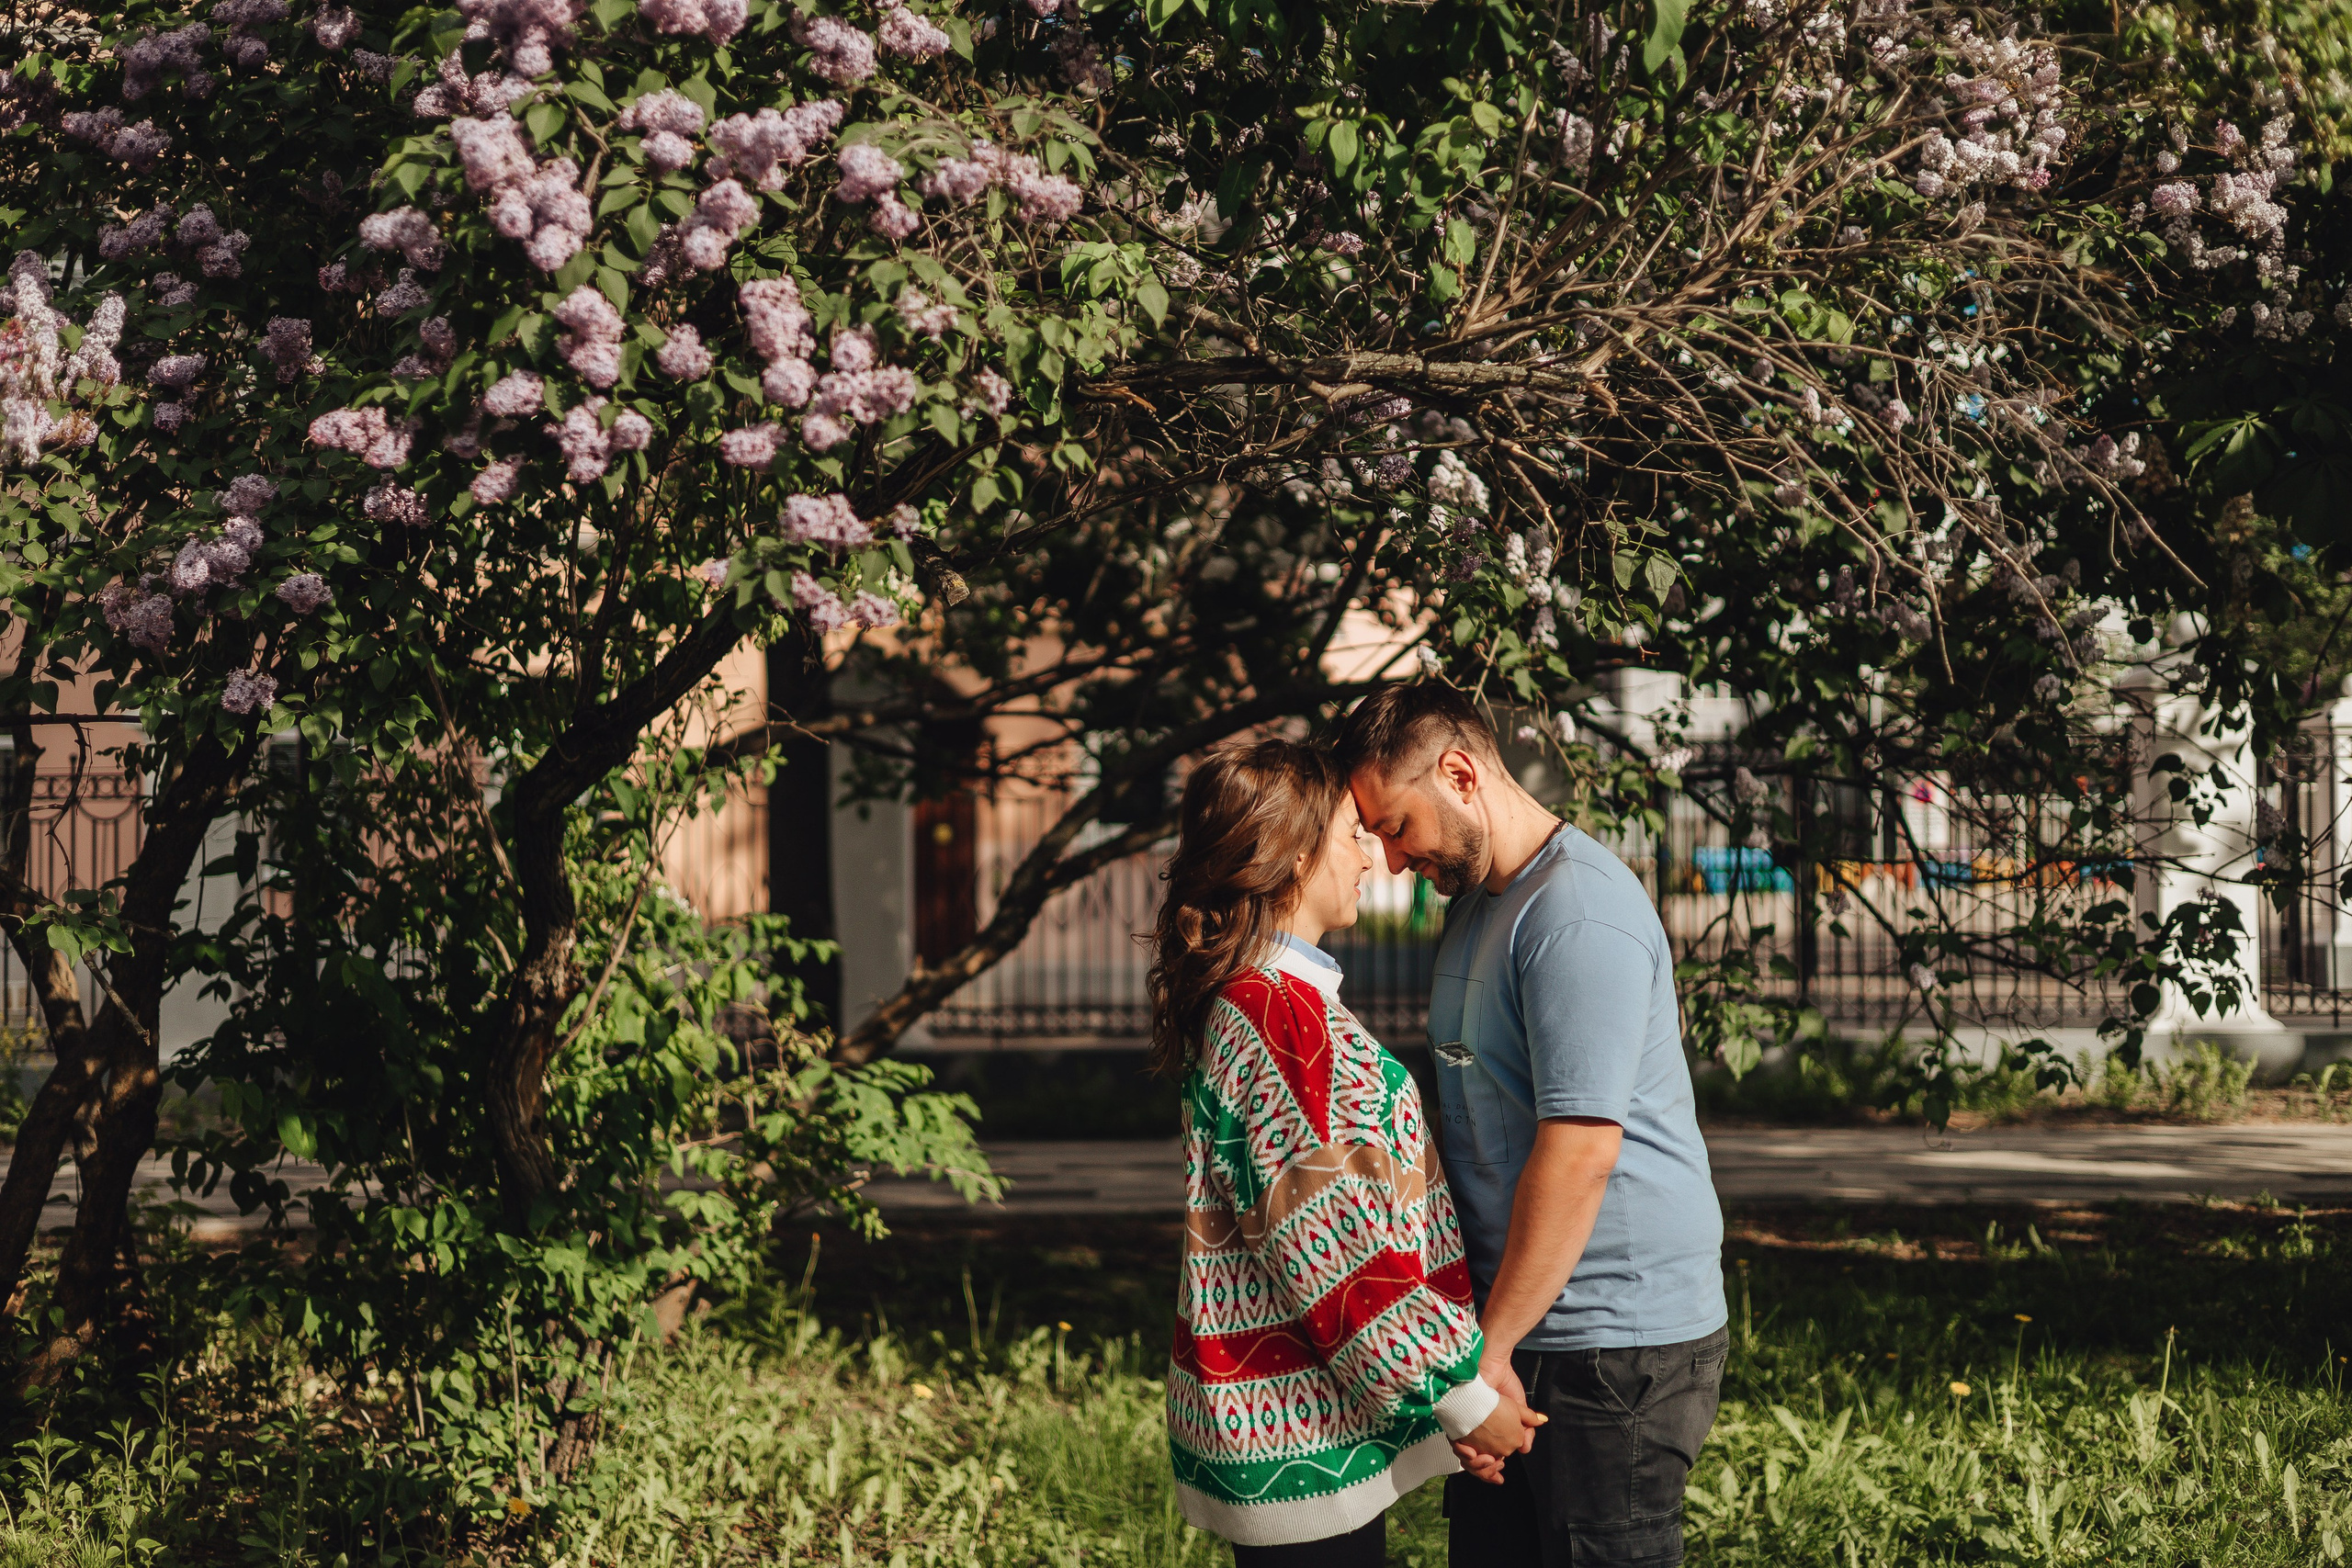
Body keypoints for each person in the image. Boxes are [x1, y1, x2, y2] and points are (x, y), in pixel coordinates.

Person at [1334, 684, 1730, 1568]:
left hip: (1612, 1346)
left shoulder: (1576, 915)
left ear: (1460, 773)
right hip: (1519, 1329)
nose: (1393, 860)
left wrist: (1487, 1356)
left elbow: (1581, 1153)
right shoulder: (1482, 905)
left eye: (1396, 826)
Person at [1150, 737, 1542, 1566]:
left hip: (1310, 1419)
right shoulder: (1276, 1014)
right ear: (1294, 856)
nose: (1374, 855)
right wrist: (1464, 1399)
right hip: (1300, 1432)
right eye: (1352, 833)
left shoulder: (1268, 1000)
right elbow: (1334, 1244)